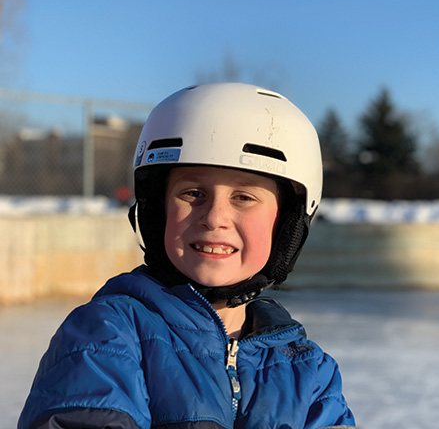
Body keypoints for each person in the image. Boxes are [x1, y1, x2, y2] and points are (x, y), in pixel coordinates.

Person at [18, 83, 355, 429]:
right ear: (158, 211)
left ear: (286, 226)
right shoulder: (108, 337)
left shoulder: (309, 372)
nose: (214, 218)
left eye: (243, 197)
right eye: (193, 193)